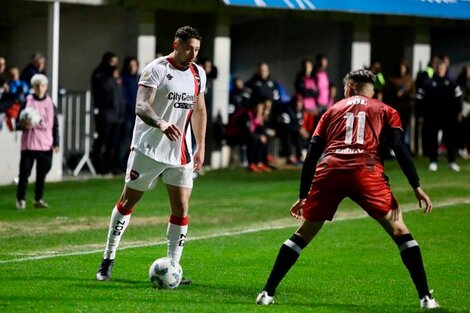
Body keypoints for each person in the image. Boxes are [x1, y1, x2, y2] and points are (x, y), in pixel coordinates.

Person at [256, 69, 439, 310]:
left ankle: (267, 292)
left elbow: (311, 155)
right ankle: (425, 297)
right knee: (399, 229)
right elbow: (399, 148)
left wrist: (303, 195)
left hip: (330, 170)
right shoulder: (386, 109)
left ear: (349, 88)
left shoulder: (331, 111)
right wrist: (416, 186)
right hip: (366, 171)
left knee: (303, 234)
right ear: (366, 89)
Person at [96, 26, 207, 285]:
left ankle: (174, 266)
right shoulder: (156, 69)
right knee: (128, 201)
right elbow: (141, 105)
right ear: (176, 44)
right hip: (149, 149)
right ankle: (108, 258)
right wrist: (161, 123)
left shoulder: (199, 74)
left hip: (181, 152)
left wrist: (200, 145)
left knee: (181, 207)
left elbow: (199, 110)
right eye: (189, 48)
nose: (193, 54)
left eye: (197, 49)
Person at [16, 74, 59, 210]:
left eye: (42, 85)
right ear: (33, 87)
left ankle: (38, 199)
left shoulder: (50, 104)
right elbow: (18, 123)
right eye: (37, 85)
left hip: (45, 145)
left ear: (46, 87)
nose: (39, 88)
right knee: (24, 174)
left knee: (42, 174)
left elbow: (55, 124)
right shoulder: (27, 102)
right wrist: (24, 125)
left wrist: (56, 142)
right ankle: (21, 199)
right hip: (29, 145)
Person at [416, 59, 462, 172]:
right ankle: (433, 162)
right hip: (433, 117)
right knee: (433, 140)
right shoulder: (427, 83)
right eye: (438, 68)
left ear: (445, 69)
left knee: (450, 139)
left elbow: (458, 98)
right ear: (435, 69)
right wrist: (420, 115)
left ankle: (452, 162)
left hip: (448, 117)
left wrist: (458, 112)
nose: (440, 70)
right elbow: (419, 99)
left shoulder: (451, 83)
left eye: (442, 68)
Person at [90, 52, 119, 174]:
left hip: (115, 113)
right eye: (112, 62)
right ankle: (98, 165)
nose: (114, 65)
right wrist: (110, 76)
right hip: (104, 112)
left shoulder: (115, 75)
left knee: (112, 142)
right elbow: (102, 90)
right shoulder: (100, 73)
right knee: (102, 140)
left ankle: (110, 165)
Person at [120, 56, 140, 170]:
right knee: (123, 140)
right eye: (131, 65)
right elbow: (124, 97)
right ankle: (120, 163)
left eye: (134, 65)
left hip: (137, 116)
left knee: (135, 141)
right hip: (128, 115)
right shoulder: (124, 79)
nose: (133, 68)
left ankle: (129, 163)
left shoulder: (139, 78)